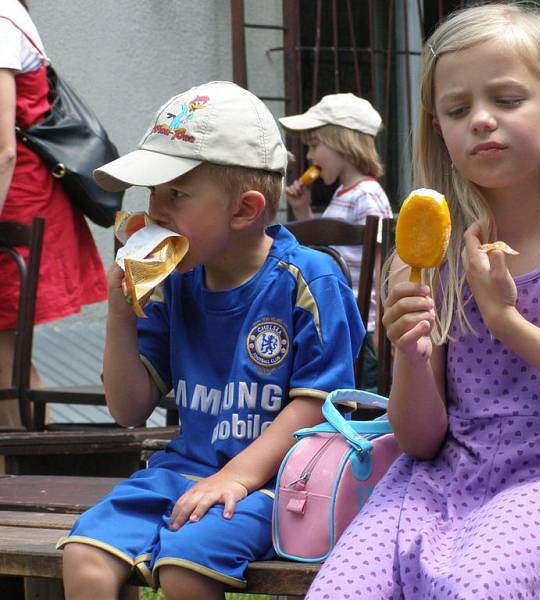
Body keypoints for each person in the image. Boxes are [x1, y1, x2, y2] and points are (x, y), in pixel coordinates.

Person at [307, 4, 540, 599]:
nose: (482, 121)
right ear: (437, 127)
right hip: (438, 482)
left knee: (477, 588)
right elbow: (418, 440)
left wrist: (506, 321)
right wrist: (410, 356)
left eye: (508, 99)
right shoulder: (432, 253)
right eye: (458, 108)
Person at [57, 81, 365, 600]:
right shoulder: (174, 281)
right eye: (152, 194)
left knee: (184, 566)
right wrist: (120, 312)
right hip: (182, 471)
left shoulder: (307, 280)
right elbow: (128, 409)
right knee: (86, 559)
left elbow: (318, 408)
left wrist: (237, 477)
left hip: (279, 485)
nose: (155, 212)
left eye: (175, 194)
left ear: (243, 210)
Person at [0, 0, 106, 428]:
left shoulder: (2, 20)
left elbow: (3, 150)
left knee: (7, 355)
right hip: (19, 194)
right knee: (8, 355)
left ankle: (18, 469)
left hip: (15, 198)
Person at [279, 93, 393, 391]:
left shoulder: (366, 194)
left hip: (363, 330)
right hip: (336, 322)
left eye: (316, 145)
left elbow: (382, 266)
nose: (309, 157)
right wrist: (302, 211)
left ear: (344, 143)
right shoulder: (342, 194)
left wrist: (383, 328)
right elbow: (322, 252)